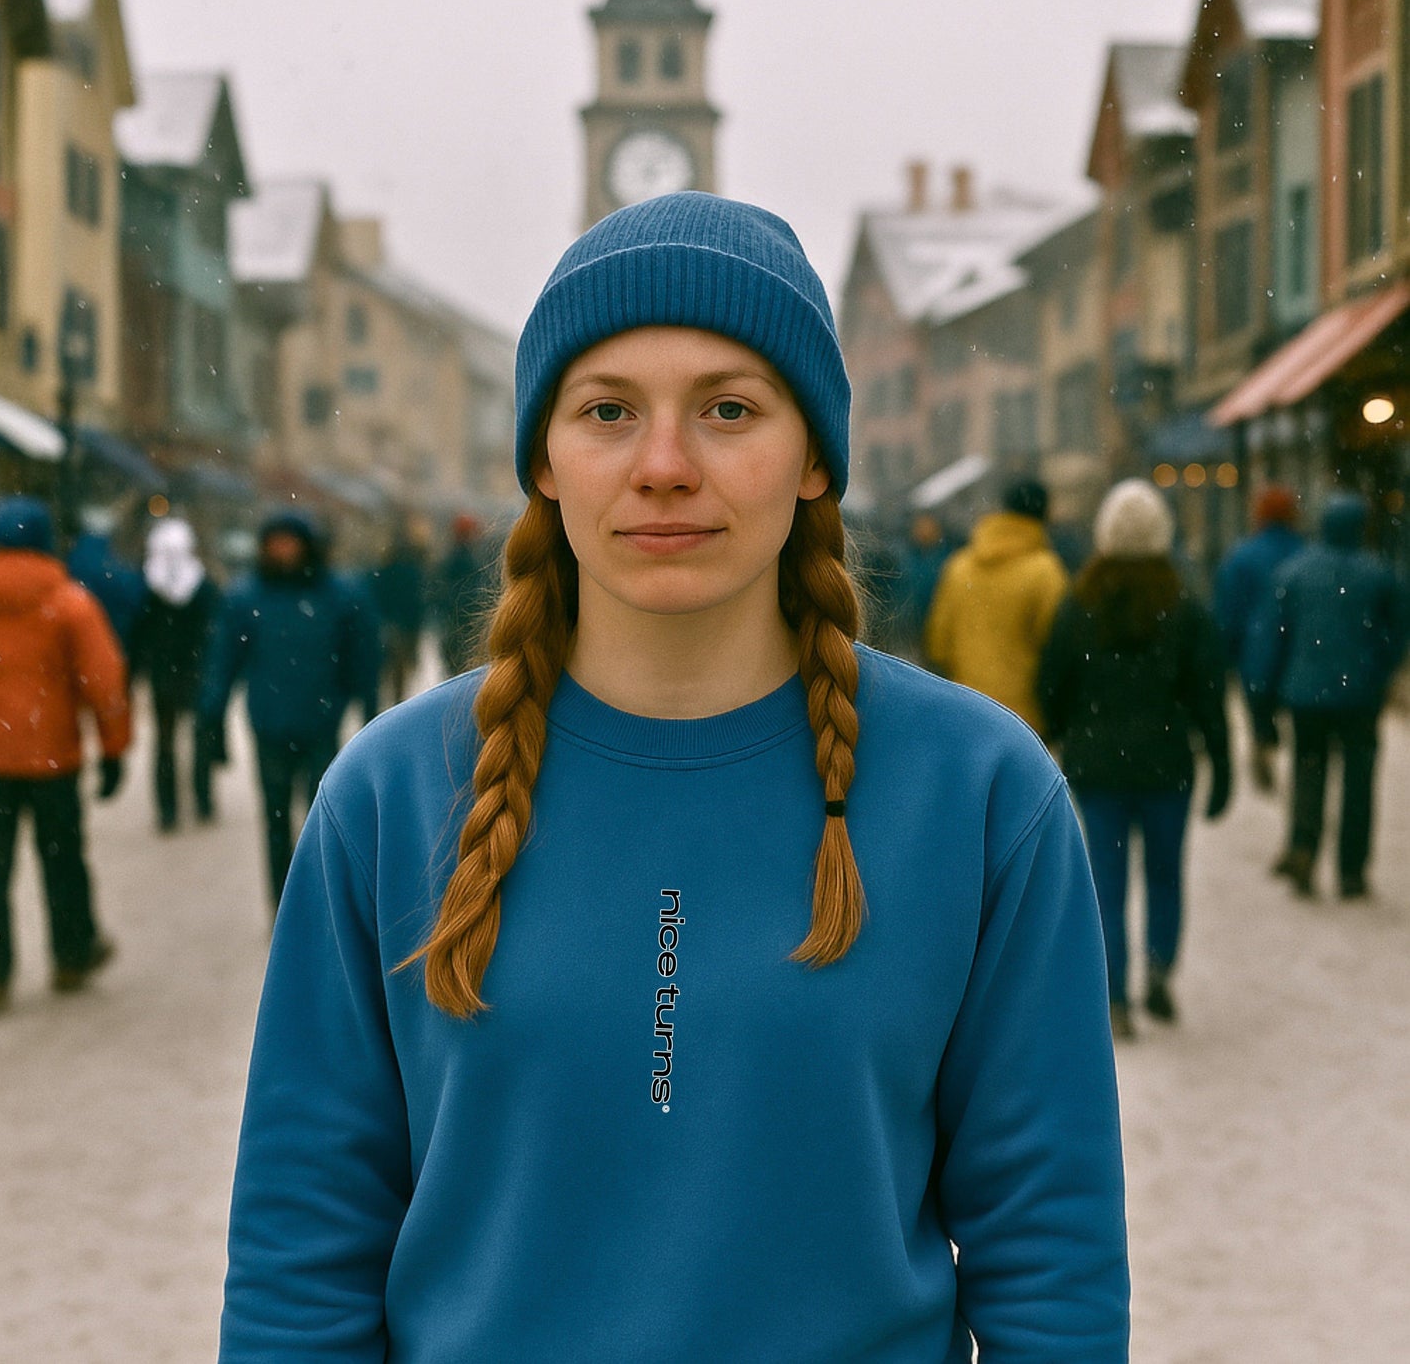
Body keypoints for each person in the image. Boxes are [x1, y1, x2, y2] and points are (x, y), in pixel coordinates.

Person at [218, 194, 1129, 1361]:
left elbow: (1047, 1258)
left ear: (811, 458)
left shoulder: (983, 794)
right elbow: (305, 1251)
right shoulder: (392, 797)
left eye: (728, 408)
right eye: (607, 410)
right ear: (544, 459)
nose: (662, 466)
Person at [1038, 479, 1231, 1039]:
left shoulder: (1081, 603)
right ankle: (1161, 967)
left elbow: (1054, 684)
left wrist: (1054, 735)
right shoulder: (1182, 604)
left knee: (1106, 881)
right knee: (1166, 873)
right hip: (1167, 765)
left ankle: (1115, 994)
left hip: (1097, 767)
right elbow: (1208, 692)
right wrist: (1221, 761)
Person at [0, 497, 131, 1017]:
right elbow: (103, 681)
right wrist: (114, 748)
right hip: (51, 757)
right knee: (63, 859)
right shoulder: (67, 601)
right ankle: (71, 955)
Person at [197, 509, 380, 911]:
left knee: (324, 822)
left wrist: (371, 713)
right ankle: (281, 907)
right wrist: (212, 717)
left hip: (321, 723)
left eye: (289, 542)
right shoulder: (246, 597)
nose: (282, 551)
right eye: (274, 543)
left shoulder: (341, 596)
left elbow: (364, 658)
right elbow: (223, 661)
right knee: (276, 822)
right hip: (270, 724)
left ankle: (322, 908)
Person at [1243, 491, 1409, 899]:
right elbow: (1397, 634)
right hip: (1360, 698)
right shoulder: (1379, 574)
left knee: (1308, 771)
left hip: (1306, 695)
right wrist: (1378, 671)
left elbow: (1272, 639)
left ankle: (1304, 846)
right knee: (1358, 781)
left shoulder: (1294, 573)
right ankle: (1351, 869)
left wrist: (1263, 696)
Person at [925, 475, 1069, 735]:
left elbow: (938, 646)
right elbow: (1057, 650)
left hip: (968, 712)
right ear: (1045, 516)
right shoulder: (1046, 572)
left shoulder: (959, 567)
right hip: (1024, 724)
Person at [130, 516, 219, 831]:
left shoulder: (147, 587)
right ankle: (202, 800)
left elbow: (137, 634)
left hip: (165, 674)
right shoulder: (203, 586)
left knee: (167, 742)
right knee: (197, 739)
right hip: (194, 671)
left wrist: (134, 671)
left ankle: (170, 809)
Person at [1213, 483, 1303, 679]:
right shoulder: (1304, 554)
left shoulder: (1241, 558)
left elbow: (1228, 615)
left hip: (1255, 661)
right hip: (1300, 666)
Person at [67, 504, 145, 654]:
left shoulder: (74, 559)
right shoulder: (112, 568)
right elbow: (134, 593)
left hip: (82, 638)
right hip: (114, 636)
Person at [369, 527, 428, 706]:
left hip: (390, 623)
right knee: (399, 671)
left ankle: (387, 703)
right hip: (403, 625)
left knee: (384, 669)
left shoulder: (384, 571)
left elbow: (377, 596)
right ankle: (397, 701)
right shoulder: (413, 571)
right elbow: (417, 601)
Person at [429, 514, 493, 677]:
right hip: (463, 623)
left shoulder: (453, 558)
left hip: (455, 622)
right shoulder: (466, 560)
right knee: (461, 669)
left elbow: (440, 592)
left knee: (453, 671)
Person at [894, 509, 954, 665]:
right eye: (919, 525)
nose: (923, 531)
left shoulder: (948, 559)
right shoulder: (903, 556)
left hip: (936, 625)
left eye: (928, 525)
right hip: (908, 628)